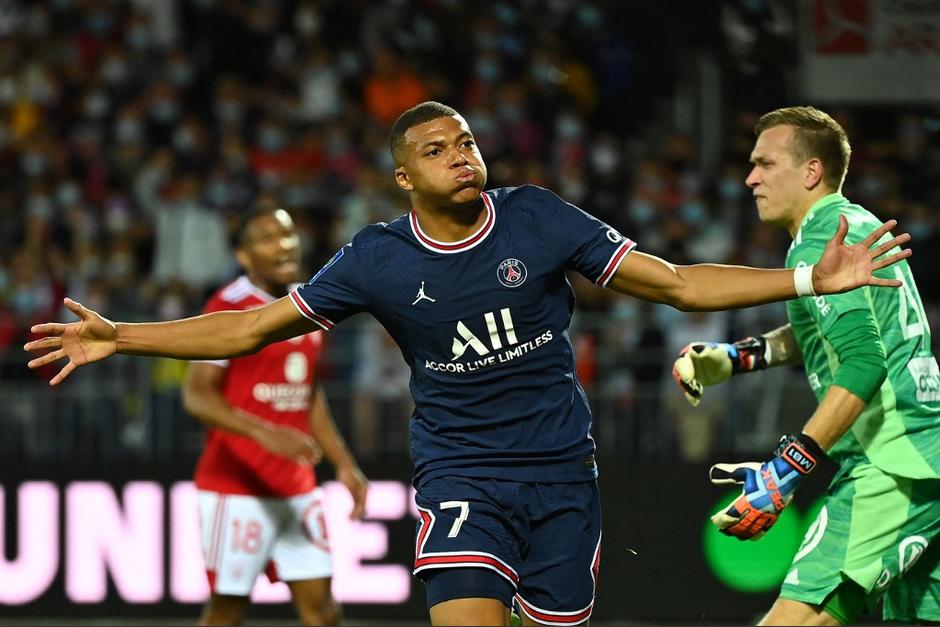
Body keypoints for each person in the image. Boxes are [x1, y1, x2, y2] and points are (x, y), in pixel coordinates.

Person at [26, 101, 911, 626]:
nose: (463, 156)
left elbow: (676, 284)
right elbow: (252, 327)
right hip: (462, 475)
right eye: (438, 149)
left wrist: (806, 274)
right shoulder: (374, 257)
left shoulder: (536, 217)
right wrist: (123, 335)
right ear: (405, 177)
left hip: (564, 474)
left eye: (468, 142)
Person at [672, 106, 938, 625]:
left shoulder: (823, 241)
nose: (750, 178)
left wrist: (783, 474)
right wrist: (735, 358)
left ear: (810, 172)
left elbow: (863, 360)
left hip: (892, 467)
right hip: (926, 454)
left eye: (765, 164)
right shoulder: (855, 224)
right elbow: (829, 331)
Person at [186, 203, 368, 626]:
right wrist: (264, 432)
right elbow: (197, 396)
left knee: (323, 613)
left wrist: (344, 463)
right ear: (245, 257)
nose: (284, 244)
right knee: (227, 614)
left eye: (288, 234)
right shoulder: (226, 305)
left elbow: (307, 392)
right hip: (236, 487)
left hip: (295, 486)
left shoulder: (309, 303)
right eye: (268, 238)